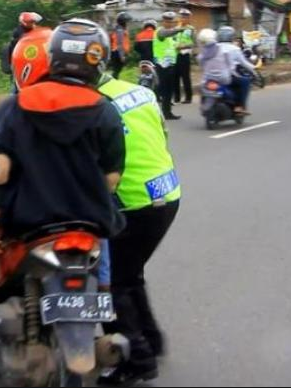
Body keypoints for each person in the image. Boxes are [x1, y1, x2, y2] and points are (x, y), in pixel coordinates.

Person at [0, 21, 126, 365]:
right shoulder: (105, 110)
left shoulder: (16, 106)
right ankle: (104, 294)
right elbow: (112, 176)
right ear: (99, 61)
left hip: (27, 217)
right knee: (105, 219)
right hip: (85, 219)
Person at [95, 73, 181, 386]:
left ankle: (137, 360)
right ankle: (152, 339)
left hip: (132, 203)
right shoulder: (138, 91)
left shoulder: (94, 104)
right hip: (166, 194)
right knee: (130, 273)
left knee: (112, 281)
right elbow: (163, 133)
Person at [217, 26, 257, 114]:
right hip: (228, 77)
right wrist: (254, 69)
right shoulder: (235, 49)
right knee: (245, 81)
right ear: (232, 37)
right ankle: (239, 106)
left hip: (212, 76)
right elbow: (244, 63)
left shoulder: (213, 48)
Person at [154, 11, 183, 120]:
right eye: (167, 21)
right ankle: (157, 113)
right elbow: (165, 34)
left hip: (170, 65)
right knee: (161, 90)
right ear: (163, 22)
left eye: (171, 22)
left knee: (169, 91)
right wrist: (178, 29)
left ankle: (167, 112)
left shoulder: (171, 36)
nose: (169, 23)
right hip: (161, 66)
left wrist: (185, 46)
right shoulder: (160, 31)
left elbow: (174, 48)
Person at [173, 9, 196, 104]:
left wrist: (184, 46)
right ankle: (177, 97)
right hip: (175, 55)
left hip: (185, 54)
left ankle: (188, 97)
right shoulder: (176, 28)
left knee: (185, 77)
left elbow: (193, 42)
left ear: (189, 18)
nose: (184, 19)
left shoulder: (191, 29)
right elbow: (172, 40)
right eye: (182, 16)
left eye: (186, 17)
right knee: (175, 77)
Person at [110, 12, 132, 79]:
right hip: (118, 52)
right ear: (123, 22)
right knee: (116, 71)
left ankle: (113, 82)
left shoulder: (118, 29)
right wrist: (122, 56)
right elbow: (120, 43)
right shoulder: (120, 30)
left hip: (117, 52)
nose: (128, 24)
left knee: (116, 71)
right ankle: (112, 84)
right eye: (126, 22)